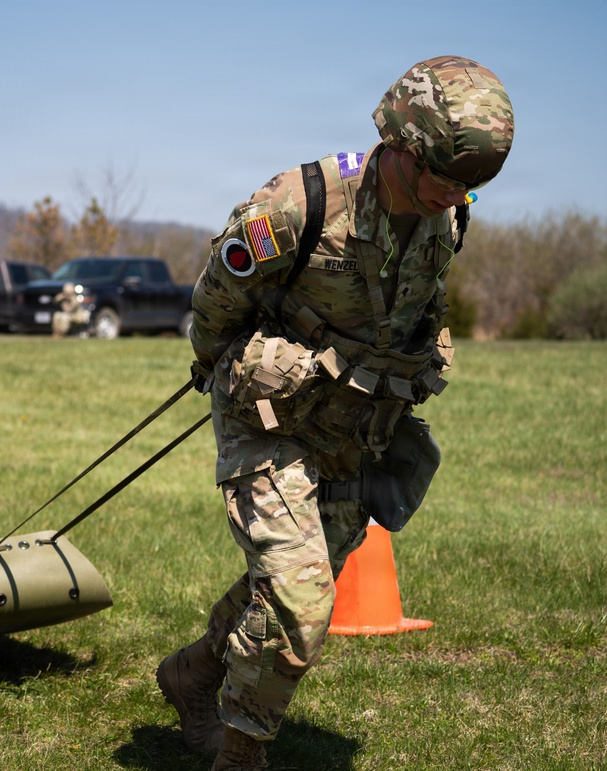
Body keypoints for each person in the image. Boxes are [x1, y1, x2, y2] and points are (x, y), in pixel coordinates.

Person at [155, 56, 514, 770]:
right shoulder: (297, 206)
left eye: (467, 185)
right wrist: (230, 373)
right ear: (401, 145)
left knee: (297, 580)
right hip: (271, 415)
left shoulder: (448, 214)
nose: (453, 196)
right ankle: (240, 750)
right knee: (302, 599)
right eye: (443, 177)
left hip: (358, 425)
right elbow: (214, 306)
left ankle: (196, 670)